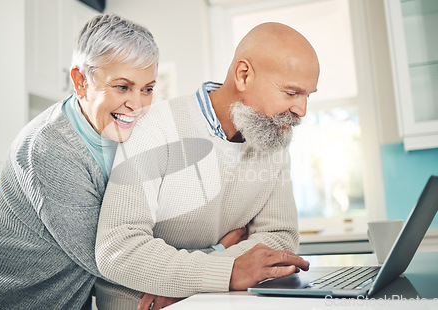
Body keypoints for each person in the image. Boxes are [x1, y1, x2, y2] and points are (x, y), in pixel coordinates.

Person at [95, 22, 320, 309]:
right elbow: (118, 248)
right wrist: (227, 271)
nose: (302, 110)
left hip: (219, 300)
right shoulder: (155, 126)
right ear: (243, 75)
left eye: (308, 95)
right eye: (291, 93)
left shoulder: (273, 134)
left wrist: (202, 279)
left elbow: (280, 238)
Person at [0, 14, 160, 309]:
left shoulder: (120, 133)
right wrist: (215, 255)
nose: (138, 104)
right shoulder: (51, 149)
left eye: (147, 89)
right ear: (80, 81)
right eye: (122, 87)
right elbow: (112, 256)